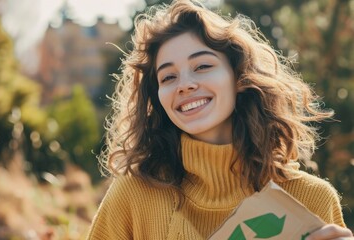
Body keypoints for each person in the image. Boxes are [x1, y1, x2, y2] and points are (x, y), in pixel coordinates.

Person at [87, 0, 354, 239]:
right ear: (158, 97)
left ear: (239, 78)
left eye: (202, 66)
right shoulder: (132, 196)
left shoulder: (312, 199)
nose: (185, 85)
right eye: (168, 77)